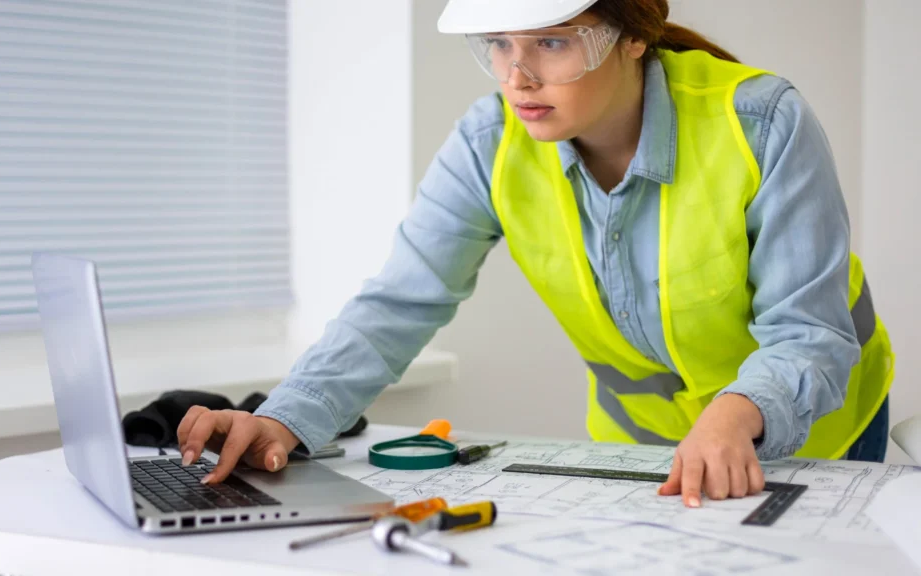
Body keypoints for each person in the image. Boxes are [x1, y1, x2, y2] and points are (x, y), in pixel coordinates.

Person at [176, 0, 894, 507]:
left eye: (551, 42)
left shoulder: (762, 121)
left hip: (812, 434)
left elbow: (810, 335)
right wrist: (284, 419)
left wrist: (738, 412)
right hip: (640, 449)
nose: (516, 76)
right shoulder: (490, 142)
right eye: (498, 42)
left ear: (633, 33)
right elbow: (398, 302)